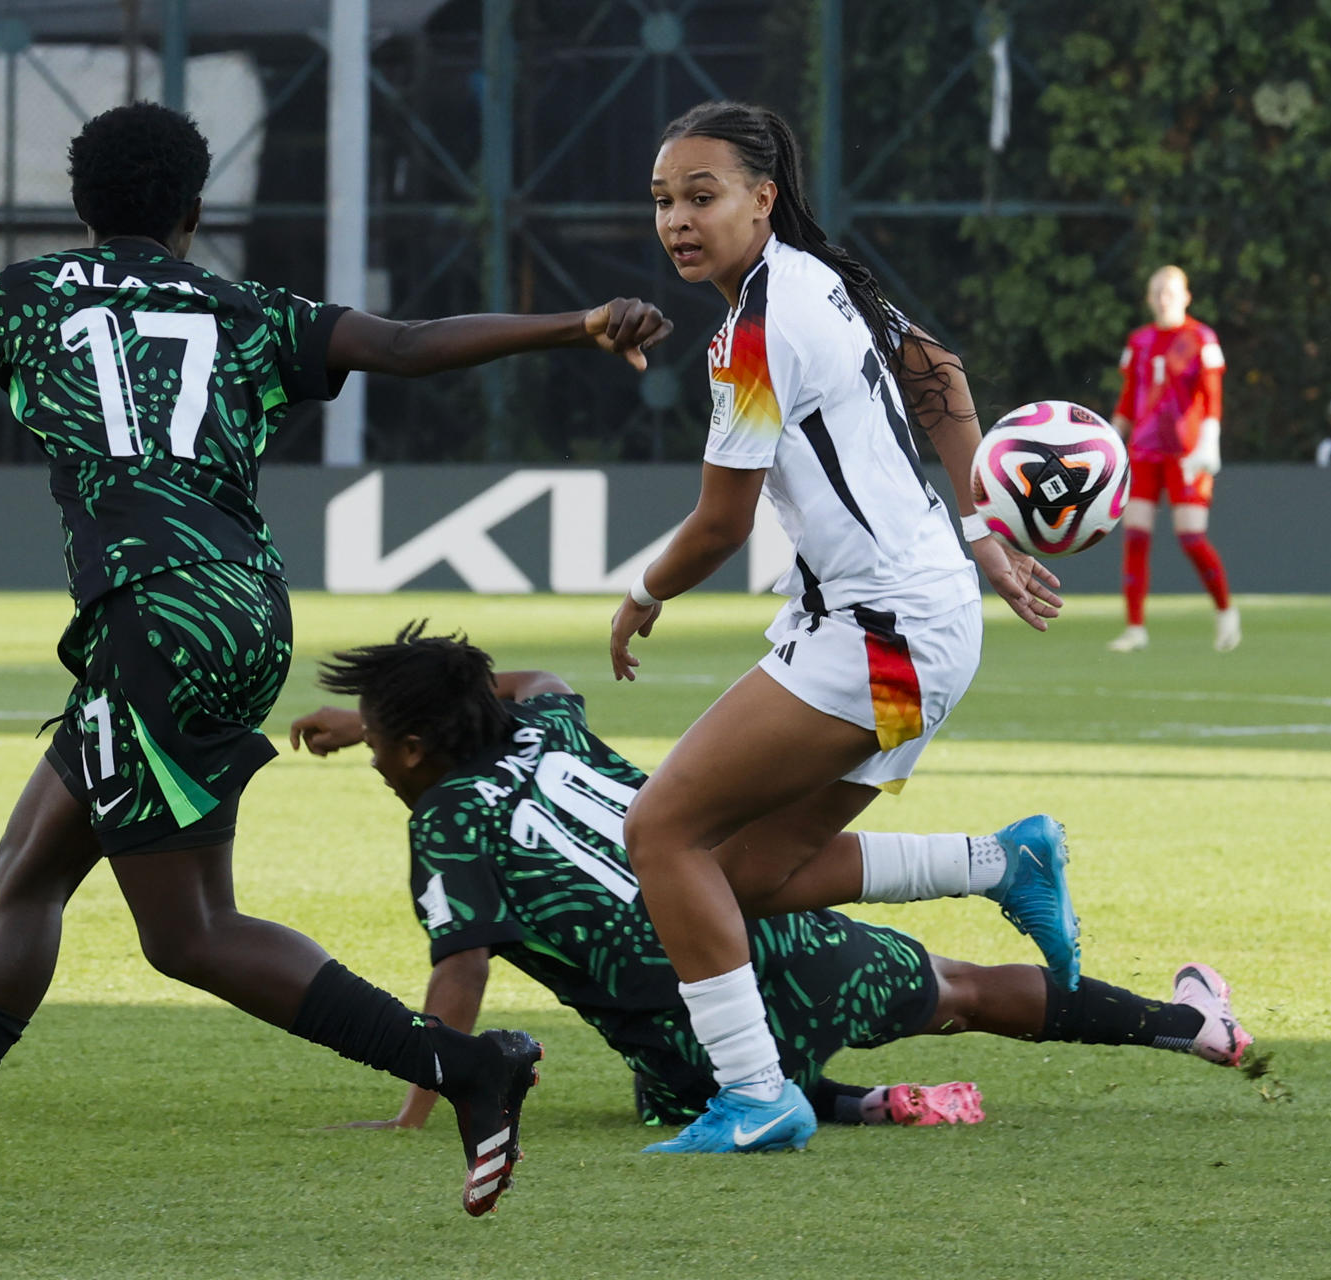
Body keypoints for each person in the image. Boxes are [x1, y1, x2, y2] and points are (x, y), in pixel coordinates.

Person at [0, 102, 675, 1229]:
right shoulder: (240, 304)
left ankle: (470, 1067)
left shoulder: (17, 296)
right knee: (28, 867)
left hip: (148, 617)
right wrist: (579, 322)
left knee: (189, 933)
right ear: (192, 211)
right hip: (239, 608)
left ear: (79, 204)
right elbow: (406, 346)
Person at [590, 100, 1075, 1155]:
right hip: (920, 631)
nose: (678, 219)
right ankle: (1006, 863)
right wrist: (982, 529)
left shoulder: (756, 330)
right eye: (664, 200)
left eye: (703, 196)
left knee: (660, 833)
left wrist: (643, 593)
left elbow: (720, 523)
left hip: (885, 636)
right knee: (749, 873)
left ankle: (758, 1095)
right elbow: (938, 367)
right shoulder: (820, 275)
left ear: (763, 199)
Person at [288, 627, 1253, 1135]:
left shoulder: (448, 822)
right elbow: (535, 678)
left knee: (673, 1087)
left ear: (414, 746)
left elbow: (461, 975)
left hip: (692, 1027)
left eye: (381, 740)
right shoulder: (549, 727)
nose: (373, 756)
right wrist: (405, 706)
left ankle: (848, 1103)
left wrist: (424, 1103)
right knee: (959, 988)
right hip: (758, 923)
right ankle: (1199, 1030)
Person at [1106, 265, 1241, 653]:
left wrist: (1209, 441)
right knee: (1135, 535)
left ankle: (1225, 610)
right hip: (1145, 451)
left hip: (1186, 452)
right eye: (1157, 291)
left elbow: (1212, 394)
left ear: (1186, 296)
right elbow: (1129, 398)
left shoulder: (1201, 338)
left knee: (1191, 535)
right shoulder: (1140, 341)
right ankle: (1135, 628)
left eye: (1170, 290)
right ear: (1149, 299)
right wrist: (1110, 445)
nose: (1164, 297)